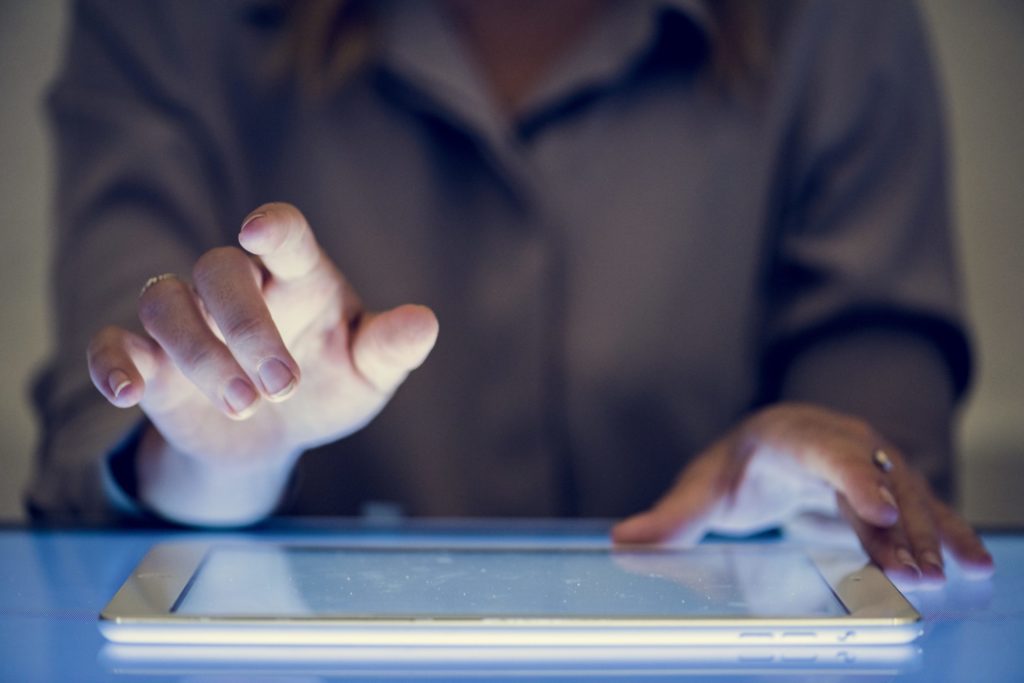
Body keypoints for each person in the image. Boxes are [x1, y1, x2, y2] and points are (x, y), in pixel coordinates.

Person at [29, 0, 994, 585]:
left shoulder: (837, 27)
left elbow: (883, 425)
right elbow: (115, 405)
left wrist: (823, 476)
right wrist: (221, 458)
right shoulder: (163, 20)